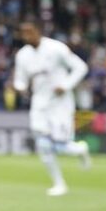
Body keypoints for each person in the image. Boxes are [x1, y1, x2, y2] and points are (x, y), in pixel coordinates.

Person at [12, 19, 91, 196]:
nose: (27, 36)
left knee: (60, 144)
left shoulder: (56, 48)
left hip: (60, 103)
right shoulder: (22, 55)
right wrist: (19, 87)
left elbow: (80, 67)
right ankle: (59, 184)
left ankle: (80, 149)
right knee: (43, 144)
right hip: (39, 103)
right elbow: (20, 79)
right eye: (23, 33)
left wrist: (66, 85)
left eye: (30, 31)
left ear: (38, 31)